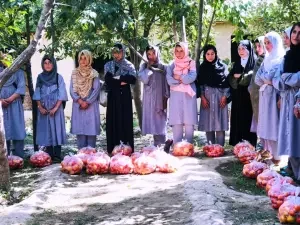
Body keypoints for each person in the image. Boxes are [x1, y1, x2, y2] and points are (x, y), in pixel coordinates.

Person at [273, 22, 300, 180]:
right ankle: (293, 170)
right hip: (288, 99)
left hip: (297, 100)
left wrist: (290, 78)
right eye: (294, 32)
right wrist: (291, 79)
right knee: (291, 135)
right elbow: (279, 80)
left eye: (299, 32)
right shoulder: (288, 56)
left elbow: (288, 78)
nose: (296, 35)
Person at [255, 32, 285, 165]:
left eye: (269, 42)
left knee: (274, 125)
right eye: (265, 43)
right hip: (264, 96)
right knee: (265, 126)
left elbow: (268, 77)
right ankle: (267, 153)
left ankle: (277, 156)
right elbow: (257, 79)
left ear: (276, 42)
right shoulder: (266, 59)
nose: (266, 45)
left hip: (274, 96)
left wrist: (266, 78)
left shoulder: (280, 59)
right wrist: (267, 78)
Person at [33, 56, 68, 160]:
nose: (47, 65)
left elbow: (62, 93)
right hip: (44, 109)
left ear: (54, 64)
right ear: (42, 65)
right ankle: (48, 155)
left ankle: (57, 154)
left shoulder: (58, 77)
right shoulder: (40, 77)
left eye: (50, 62)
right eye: (45, 63)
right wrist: (40, 107)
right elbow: (37, 92)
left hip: (56, 108)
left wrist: (55, 108)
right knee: (46, 129)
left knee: (57, 128)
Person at [104, 43, 136, 154]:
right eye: (114, 52)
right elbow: (108, 80)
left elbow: (132, 79)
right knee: (113, 119)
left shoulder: (129, 65)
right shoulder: (108, 65)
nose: (116, 55)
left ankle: (126, 149)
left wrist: (117, 78)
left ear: (123, 52)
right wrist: (122, 80)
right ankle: (113, 149)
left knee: (125, 119)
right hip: (113, 96)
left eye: (119, 52)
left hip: (125, 96)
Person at [197, 45, 229, 146]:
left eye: (212, 54)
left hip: (220, 97)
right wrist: (202, 97)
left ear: (215, 54)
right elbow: (199, 84)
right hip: (207, 97)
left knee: (220, 123)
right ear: (204, 55)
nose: (210, 56)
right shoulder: (202, 68)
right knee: (208, 123)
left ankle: (220, 148)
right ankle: (210, 147)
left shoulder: (223, 66)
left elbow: (228, 83)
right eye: (208, 54)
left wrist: (225, 96)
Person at [166, 42, 197, 144]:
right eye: (177, 51)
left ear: (186, 51)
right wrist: (183, 79)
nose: (179, 53)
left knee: (189, 121)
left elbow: (192, 77)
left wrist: (179, 77)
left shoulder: (191, 63)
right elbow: (169, 80)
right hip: (175, 95)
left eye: (181, 51)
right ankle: (177, 146)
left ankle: (189, 146)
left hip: (188, 95)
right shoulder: (172, 64)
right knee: (177, 120)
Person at [139, 45, 170, 146]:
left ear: (157, 53)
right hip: (149, 99)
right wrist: (148, 69)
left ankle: (163, 145)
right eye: (149, 54)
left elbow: (167, 84)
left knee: (160, 122)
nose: (151, 56)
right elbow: (144, 80)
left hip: (160, 99)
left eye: (153, 53)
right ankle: (157, 145)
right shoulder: (144, 67)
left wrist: (165, 99)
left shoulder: (163, 67)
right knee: (152, 122)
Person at [228, 40, 257, 146]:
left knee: (248, 119)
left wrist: (240, 77)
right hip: (237, 96)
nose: (241, 51)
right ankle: (238, 144)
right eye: (239, 49)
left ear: (249, 50)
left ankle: (249, 144)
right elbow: (230, 79)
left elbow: (253, 79)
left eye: (243, 48)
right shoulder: (237, 63)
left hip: (249, 97)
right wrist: (236, 78)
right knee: (237, 119)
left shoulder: (254, 63)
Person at [70, 50, 101, 149]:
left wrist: (87, 102)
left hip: (90, 104)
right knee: (80, 131)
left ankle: (91, 156)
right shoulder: (74, 73)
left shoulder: (94, 73)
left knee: (91, 130)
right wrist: (79, 101)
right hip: (78, 104)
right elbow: (71, 89)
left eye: (85, 58)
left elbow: (96, 89)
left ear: (89, 60)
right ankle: (81, 156)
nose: (83, 61)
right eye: (81, 58)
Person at [0, 61, 26, 158]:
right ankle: (4, 158)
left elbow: (21, 87)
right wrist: (1, 101)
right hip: (1, 106)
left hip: (14, 104)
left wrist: (10, 99)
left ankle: (18, 158)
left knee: (17, 129)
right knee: (3, 129)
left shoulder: (18, 72)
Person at [248, 36, 267, 133]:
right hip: (255, 95)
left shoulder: (267, 59)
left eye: (260, 46)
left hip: (265, 95)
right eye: (256, 47)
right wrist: (250, 88)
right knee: (259, 120)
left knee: (266, 122)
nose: (257, 49)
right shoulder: (258, 59)